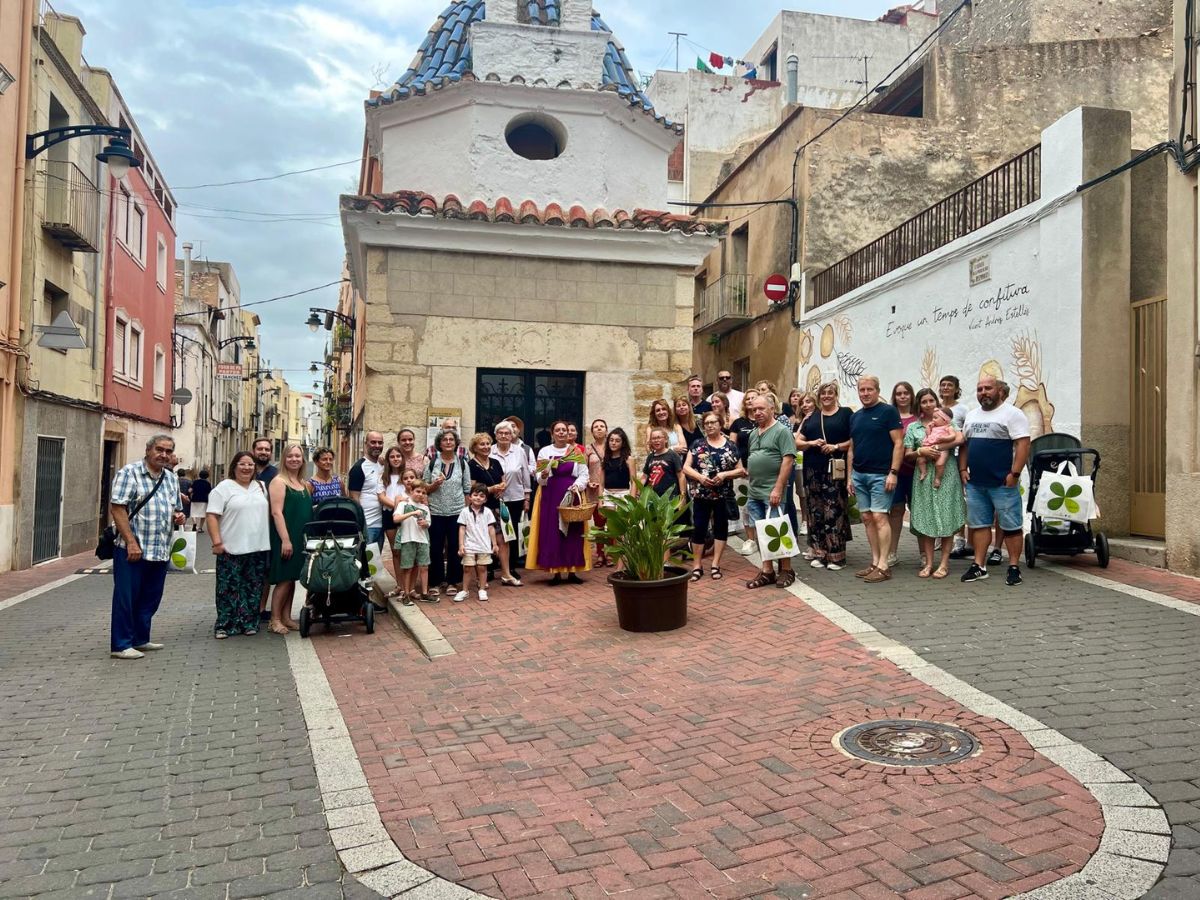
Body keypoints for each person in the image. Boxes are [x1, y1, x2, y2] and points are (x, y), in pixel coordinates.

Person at [108, 434, 185, 659]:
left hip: (160, 548)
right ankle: (121, 645)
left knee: (151, 597)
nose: (164, 455)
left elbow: (175, 510)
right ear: (148, 450)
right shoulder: (129, 473)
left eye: (168, 451)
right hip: (132, 549)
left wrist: (178, 517)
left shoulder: (170, 478)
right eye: (159, 450)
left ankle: (140, 639)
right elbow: (118, 508)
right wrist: (131, 542)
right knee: (126, 598)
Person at [960, 375, 1030, 586]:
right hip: (976, 483)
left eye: (988, 388)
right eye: (980, 389)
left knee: (1011, 527)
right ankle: (979, 566)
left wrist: (1015, 474)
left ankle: (1014, 567)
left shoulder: (1013, 414)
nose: (983, 392)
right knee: (979, 525)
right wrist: (963, 468)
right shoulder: (972, 415)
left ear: (999, 391)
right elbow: (964, 445)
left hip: (1003, 483)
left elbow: (1023, 445)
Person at [206, 451, 271, 638]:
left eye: (250, 464)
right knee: (228, 587)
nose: (247, 468)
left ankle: (249, 622)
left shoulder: (261, 487)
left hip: (257, 547)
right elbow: (211, 515)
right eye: (242, 464)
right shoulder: (223, 488)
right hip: (230, 547)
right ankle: (225, 625)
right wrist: (216, 542)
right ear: (234, 466)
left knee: (253, 586)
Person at [848, 375, 904, 584]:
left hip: (881, 475)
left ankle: (884, 565)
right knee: (867, 518)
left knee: (880, 518)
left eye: (869, 389)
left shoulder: (888, 412)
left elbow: (899, 443)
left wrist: (893, 472)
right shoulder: (856, 416)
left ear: (878, 390)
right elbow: (852, 448)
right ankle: (874, 562)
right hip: (859, 475)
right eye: (862, 390)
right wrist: (850, 477)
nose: (865, 393)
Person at [905, 389, 966, 578]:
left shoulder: (949, 422)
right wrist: (921, 452)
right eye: (924, 401)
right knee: (927, 519)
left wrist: (937, 447)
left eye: (931, 400)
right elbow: (907, 454)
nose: (928, 404)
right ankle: (929, 563)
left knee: (946, 517)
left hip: (946, 473)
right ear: (919, 405)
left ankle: (944, 563)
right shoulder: (913, 428)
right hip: (923, 476)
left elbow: (960, 439)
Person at [797, 381, 853, 571]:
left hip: (834, 470)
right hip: (813, 470)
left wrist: (836, 446)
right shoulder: (812, 416)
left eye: (830, 393)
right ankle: (819, 552)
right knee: (815, 511)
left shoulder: (845, 414)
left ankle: (837, 555)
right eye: (823, 393)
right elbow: (797, 442)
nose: (826, 396)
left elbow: (853, 441)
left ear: (836, 394)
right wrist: (812, 443)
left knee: (834, 510)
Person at [526, 420, 591, 584]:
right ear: (552, 433)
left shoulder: (575, 451)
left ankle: (572, 571)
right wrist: (544, 474)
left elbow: (584, 474)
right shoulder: (544, 452)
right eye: (558, 430)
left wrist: (576, 486)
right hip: (551, 496)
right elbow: (539, 479)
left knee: (573, 533)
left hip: (572, 494)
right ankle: (555, 572)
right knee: (553, 533)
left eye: (564, 430)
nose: (561, 432)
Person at [683, 412, 745, 581]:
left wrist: (725, 475)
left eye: (713, 422)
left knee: (720, 529)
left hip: (722, 495)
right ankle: (697, 565)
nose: (710, 426)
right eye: (707, 423)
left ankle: (715, 564)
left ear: (720, 424)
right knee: (699, 529)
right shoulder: (698, 444)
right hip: (702, 495)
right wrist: (700, 477)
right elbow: (686, 467)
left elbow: (741, 470)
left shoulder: (730, 446)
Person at [744, 394, 797, 589]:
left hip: (772, 491)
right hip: (755, 491)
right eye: (754, 410)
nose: (757, 413)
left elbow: (788, 459)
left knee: (778, 531)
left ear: (772, 409)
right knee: (761, 531)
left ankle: (787, 570)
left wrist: (778, 488)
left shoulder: (782, 431)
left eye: (761, 409)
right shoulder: (753, 433)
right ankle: (767, 570)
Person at [267, 444, 312, 635]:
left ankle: (286, 617)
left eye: (298, 456)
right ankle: (274, 619)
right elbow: (276, 512)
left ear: (303, 459)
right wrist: (286, 540)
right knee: (284, 579)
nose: (294, 459)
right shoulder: (279, 481)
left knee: (292, 577)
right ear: (284, 459)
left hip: (300, 537)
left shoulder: (303, 483)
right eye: (290, 456)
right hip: (286, 536)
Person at [423, 429, 471, 596]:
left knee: (454, 547)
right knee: (435, 548)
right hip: (436, 511)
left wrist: (467, 512)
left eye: (451, 439)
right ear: (439, 444)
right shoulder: (432, 462)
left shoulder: (463, 463)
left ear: (456, 443)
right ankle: (435, 582)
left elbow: (467, 489)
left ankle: (452, 581)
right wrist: (434, 485)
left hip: (457, 512)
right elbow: (424, 487)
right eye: (445, 440)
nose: (449, 442)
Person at [467, 432, 515, 585]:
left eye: (488, 443)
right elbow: (473, 488)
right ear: (474, 447)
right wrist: (492, 489)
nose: (486, 447)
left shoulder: (495, 462)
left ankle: (506, 574)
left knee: (503, 540)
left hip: (497, 507)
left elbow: (503, 481)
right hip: (480, 509)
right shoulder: (470, 465)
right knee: (480, 541)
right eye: (482, 444)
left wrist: (502, 487)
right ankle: (481, 577)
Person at [490, 420, 532, 582]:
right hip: (493, 499)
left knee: (512, 533)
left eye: (507, 433)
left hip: (515, 497)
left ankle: (511, 566)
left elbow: (525, 474)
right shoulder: (490, 450)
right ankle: (491, 566)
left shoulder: (519, 451)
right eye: (500, 433)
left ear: (512, 435)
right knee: (493, 533)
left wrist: (527, 497)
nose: (504, 436)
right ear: (495, 435)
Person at [886, 381, 920, 568]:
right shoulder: (890, 416)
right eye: (899, 393)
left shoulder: (918, 417)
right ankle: (892, 552)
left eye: (906, 393)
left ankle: (924, 553)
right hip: (897, 472)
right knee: (896, 511)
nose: (902, 396)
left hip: (917, 472)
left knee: (919, 512)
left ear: (911, 395)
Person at [597, 427, 638, 570]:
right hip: (608, 495)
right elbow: (601, 483)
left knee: (623, 534)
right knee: (612, 533)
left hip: (623, 495)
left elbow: (634, 482)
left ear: (623, 443)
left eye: (617, 441)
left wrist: (631, 501)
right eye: (611, 440)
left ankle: (621, 569)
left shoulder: (628, 459)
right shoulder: (605, 459)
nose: (614, 443)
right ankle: (618, 565)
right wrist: (600, 501)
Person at [456, 483, 500, 602]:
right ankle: (465, 590)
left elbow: (491, 529)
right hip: (469, 544)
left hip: (484, 544)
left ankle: (482, 589)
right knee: (467, 568)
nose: (478, 498)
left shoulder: (488, 512)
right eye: (475, 495)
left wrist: (494, 544)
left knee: (482, 567)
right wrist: (461, 545)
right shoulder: (464, 512)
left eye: (481, 496)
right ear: (470, 497)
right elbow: (462, 529)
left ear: (485, 499)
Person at [731, 388, 760, 556]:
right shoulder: (738, 423)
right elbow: (732, 447)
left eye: (753, 398)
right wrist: (740, 467)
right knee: (746, 506)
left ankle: (763, 538)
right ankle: (750, 539)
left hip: (762, 472)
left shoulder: (764, 421)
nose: (750, 401)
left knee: (762, 504)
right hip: (743, 470)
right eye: (747, 398)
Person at [393, 481, 432, 604]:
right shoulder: (404, 504)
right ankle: (406, 594)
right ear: (411, 491)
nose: (420, 494)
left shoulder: (425, 508)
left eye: (423, 493)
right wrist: (412, 513)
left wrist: (425, 523)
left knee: (424, 566)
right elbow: (396, 518)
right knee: (407, 568)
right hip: (408, 539)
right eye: (418, 491)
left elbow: (428, 523)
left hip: (422, 540)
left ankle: (425, 593)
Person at [348, 431, 386, 547]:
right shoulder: (359, 468)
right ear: (366, 444)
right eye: (373, 442)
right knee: (367, 562)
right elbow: (354, 498)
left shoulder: (382, 465)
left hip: (380, 524)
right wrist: (360, 524)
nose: (377, 445)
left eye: (380, 443)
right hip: (367, 526)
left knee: (375, 562)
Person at [791, 391, 818, 535]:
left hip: (809, 460)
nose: (804, 405)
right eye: (802, 403)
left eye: (808, 402)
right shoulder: (798, 421)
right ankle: (805, 521)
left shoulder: (817, 419)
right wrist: (803, 422)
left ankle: (806, 521)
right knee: (800, 492)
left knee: (804, 493)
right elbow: (794, 439)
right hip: (796, 459)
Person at [917, 407, 957, 488]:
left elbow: (953, 436)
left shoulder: (948, 427)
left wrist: (944, 438)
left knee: (940, 464)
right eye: (933, 418)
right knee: (920, 460)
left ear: (944, 420)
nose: (933, 420)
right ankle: (923, 472)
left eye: (935, 418)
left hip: (942, 450)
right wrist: (928, 429)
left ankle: (938, 478)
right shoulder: (934, 427)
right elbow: (928, 435)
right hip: (930, 447)